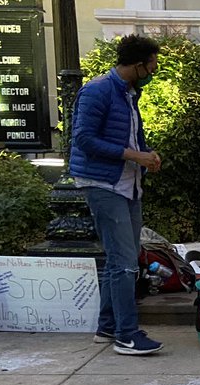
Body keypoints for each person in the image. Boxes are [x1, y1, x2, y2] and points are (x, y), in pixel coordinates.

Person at [70, 34, 164, 356]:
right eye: (152, 64)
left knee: (119, 260)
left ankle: (107, 327)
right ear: (138, 64)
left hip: (127, 184)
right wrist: (132, 155)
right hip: (102, 184)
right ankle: (127, 335)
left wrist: (146, 154)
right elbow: (83, 139)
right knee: (125, 262)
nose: (154, 69)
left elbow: (130, 135)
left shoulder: (128, 93)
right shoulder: (97, 90)